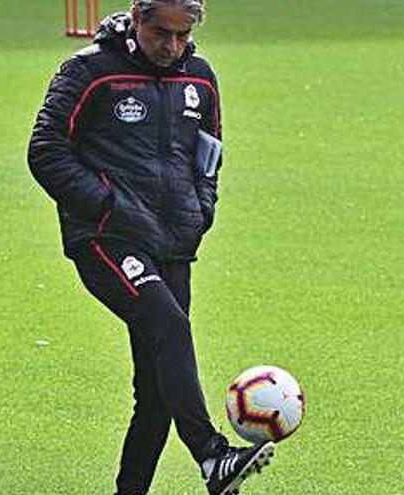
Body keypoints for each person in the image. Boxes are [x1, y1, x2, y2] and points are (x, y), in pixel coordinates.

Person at [28, 1, 275, 494]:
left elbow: (209, 153)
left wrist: (201, 209)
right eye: (161, 32)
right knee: (169, 323)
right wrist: (105, 205)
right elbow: (46, 149)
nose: (172, 46)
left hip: (174, 240)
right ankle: (210, 455)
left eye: (183, 35)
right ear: (137, 19)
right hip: (107, 237)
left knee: (159, 391)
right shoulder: (90, 71)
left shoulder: (200, 79)